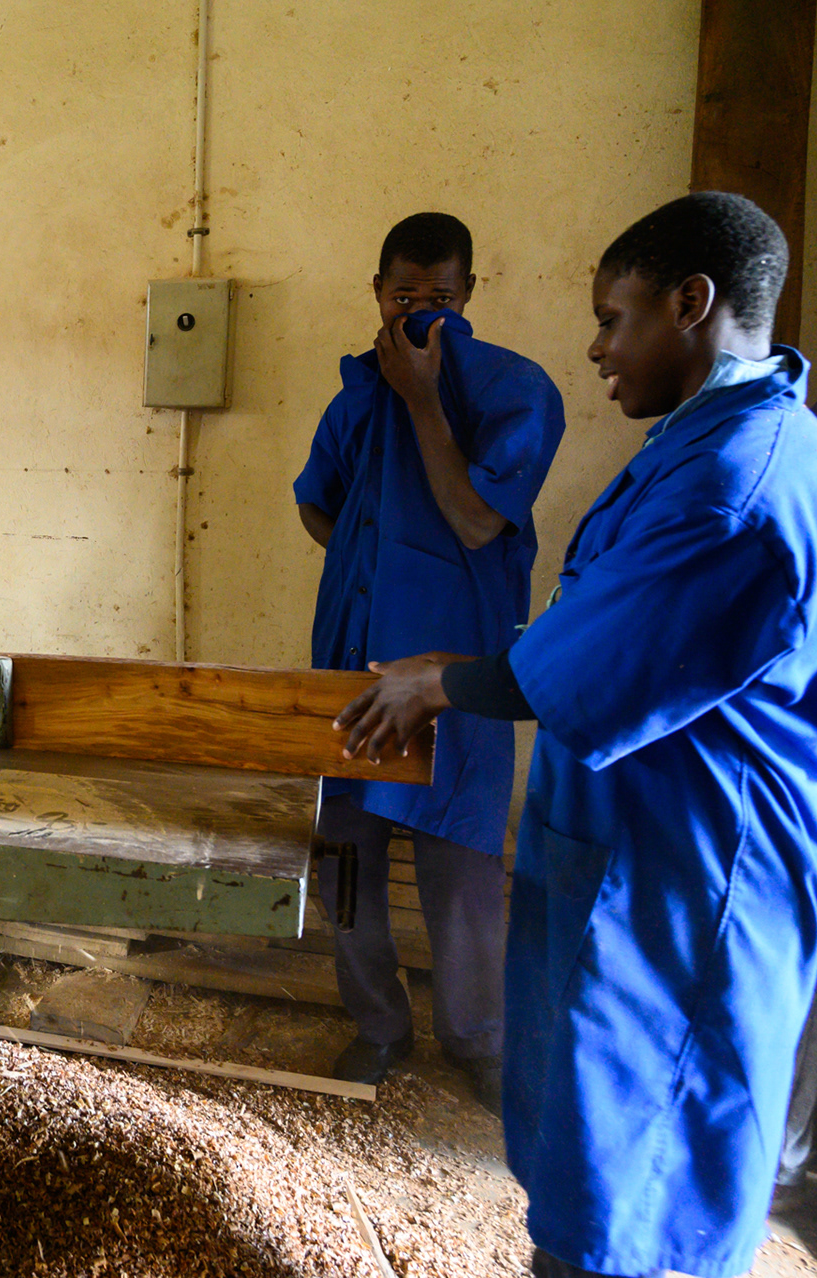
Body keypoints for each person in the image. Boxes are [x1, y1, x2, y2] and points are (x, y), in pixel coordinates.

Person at [336, 192, 817, 1278]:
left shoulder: (731, 483)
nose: (599, 347)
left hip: (686, 885)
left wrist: (437, 684)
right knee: (592, 1165)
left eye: (617, 317)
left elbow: (587, 653)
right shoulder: (702, 442)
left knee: (641, 1202)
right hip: (626, 851)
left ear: (691, 303)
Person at [292, 213, 565, 1106]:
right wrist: (367, 568)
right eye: (403, 295)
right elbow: (315, 504)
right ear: (375, 292)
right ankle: (378, 1025)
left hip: (456, 684)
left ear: (470, 296)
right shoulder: (353, 399)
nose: (419, 314)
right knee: (346, 864)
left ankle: (477, 1039)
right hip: (355, 674)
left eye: (439, 298)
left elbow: (479, 519)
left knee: (463, 872)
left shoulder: (513, 392)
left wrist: (420, 396)